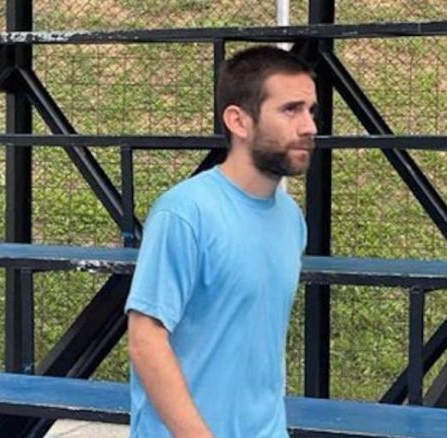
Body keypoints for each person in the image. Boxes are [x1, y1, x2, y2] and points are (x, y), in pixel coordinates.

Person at [125, 45, 318, 437]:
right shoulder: (184, 213)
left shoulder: (291, 218)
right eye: (290, 110)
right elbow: (146, 341)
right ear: (238, 121)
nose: (309, 126)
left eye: (311, 111)